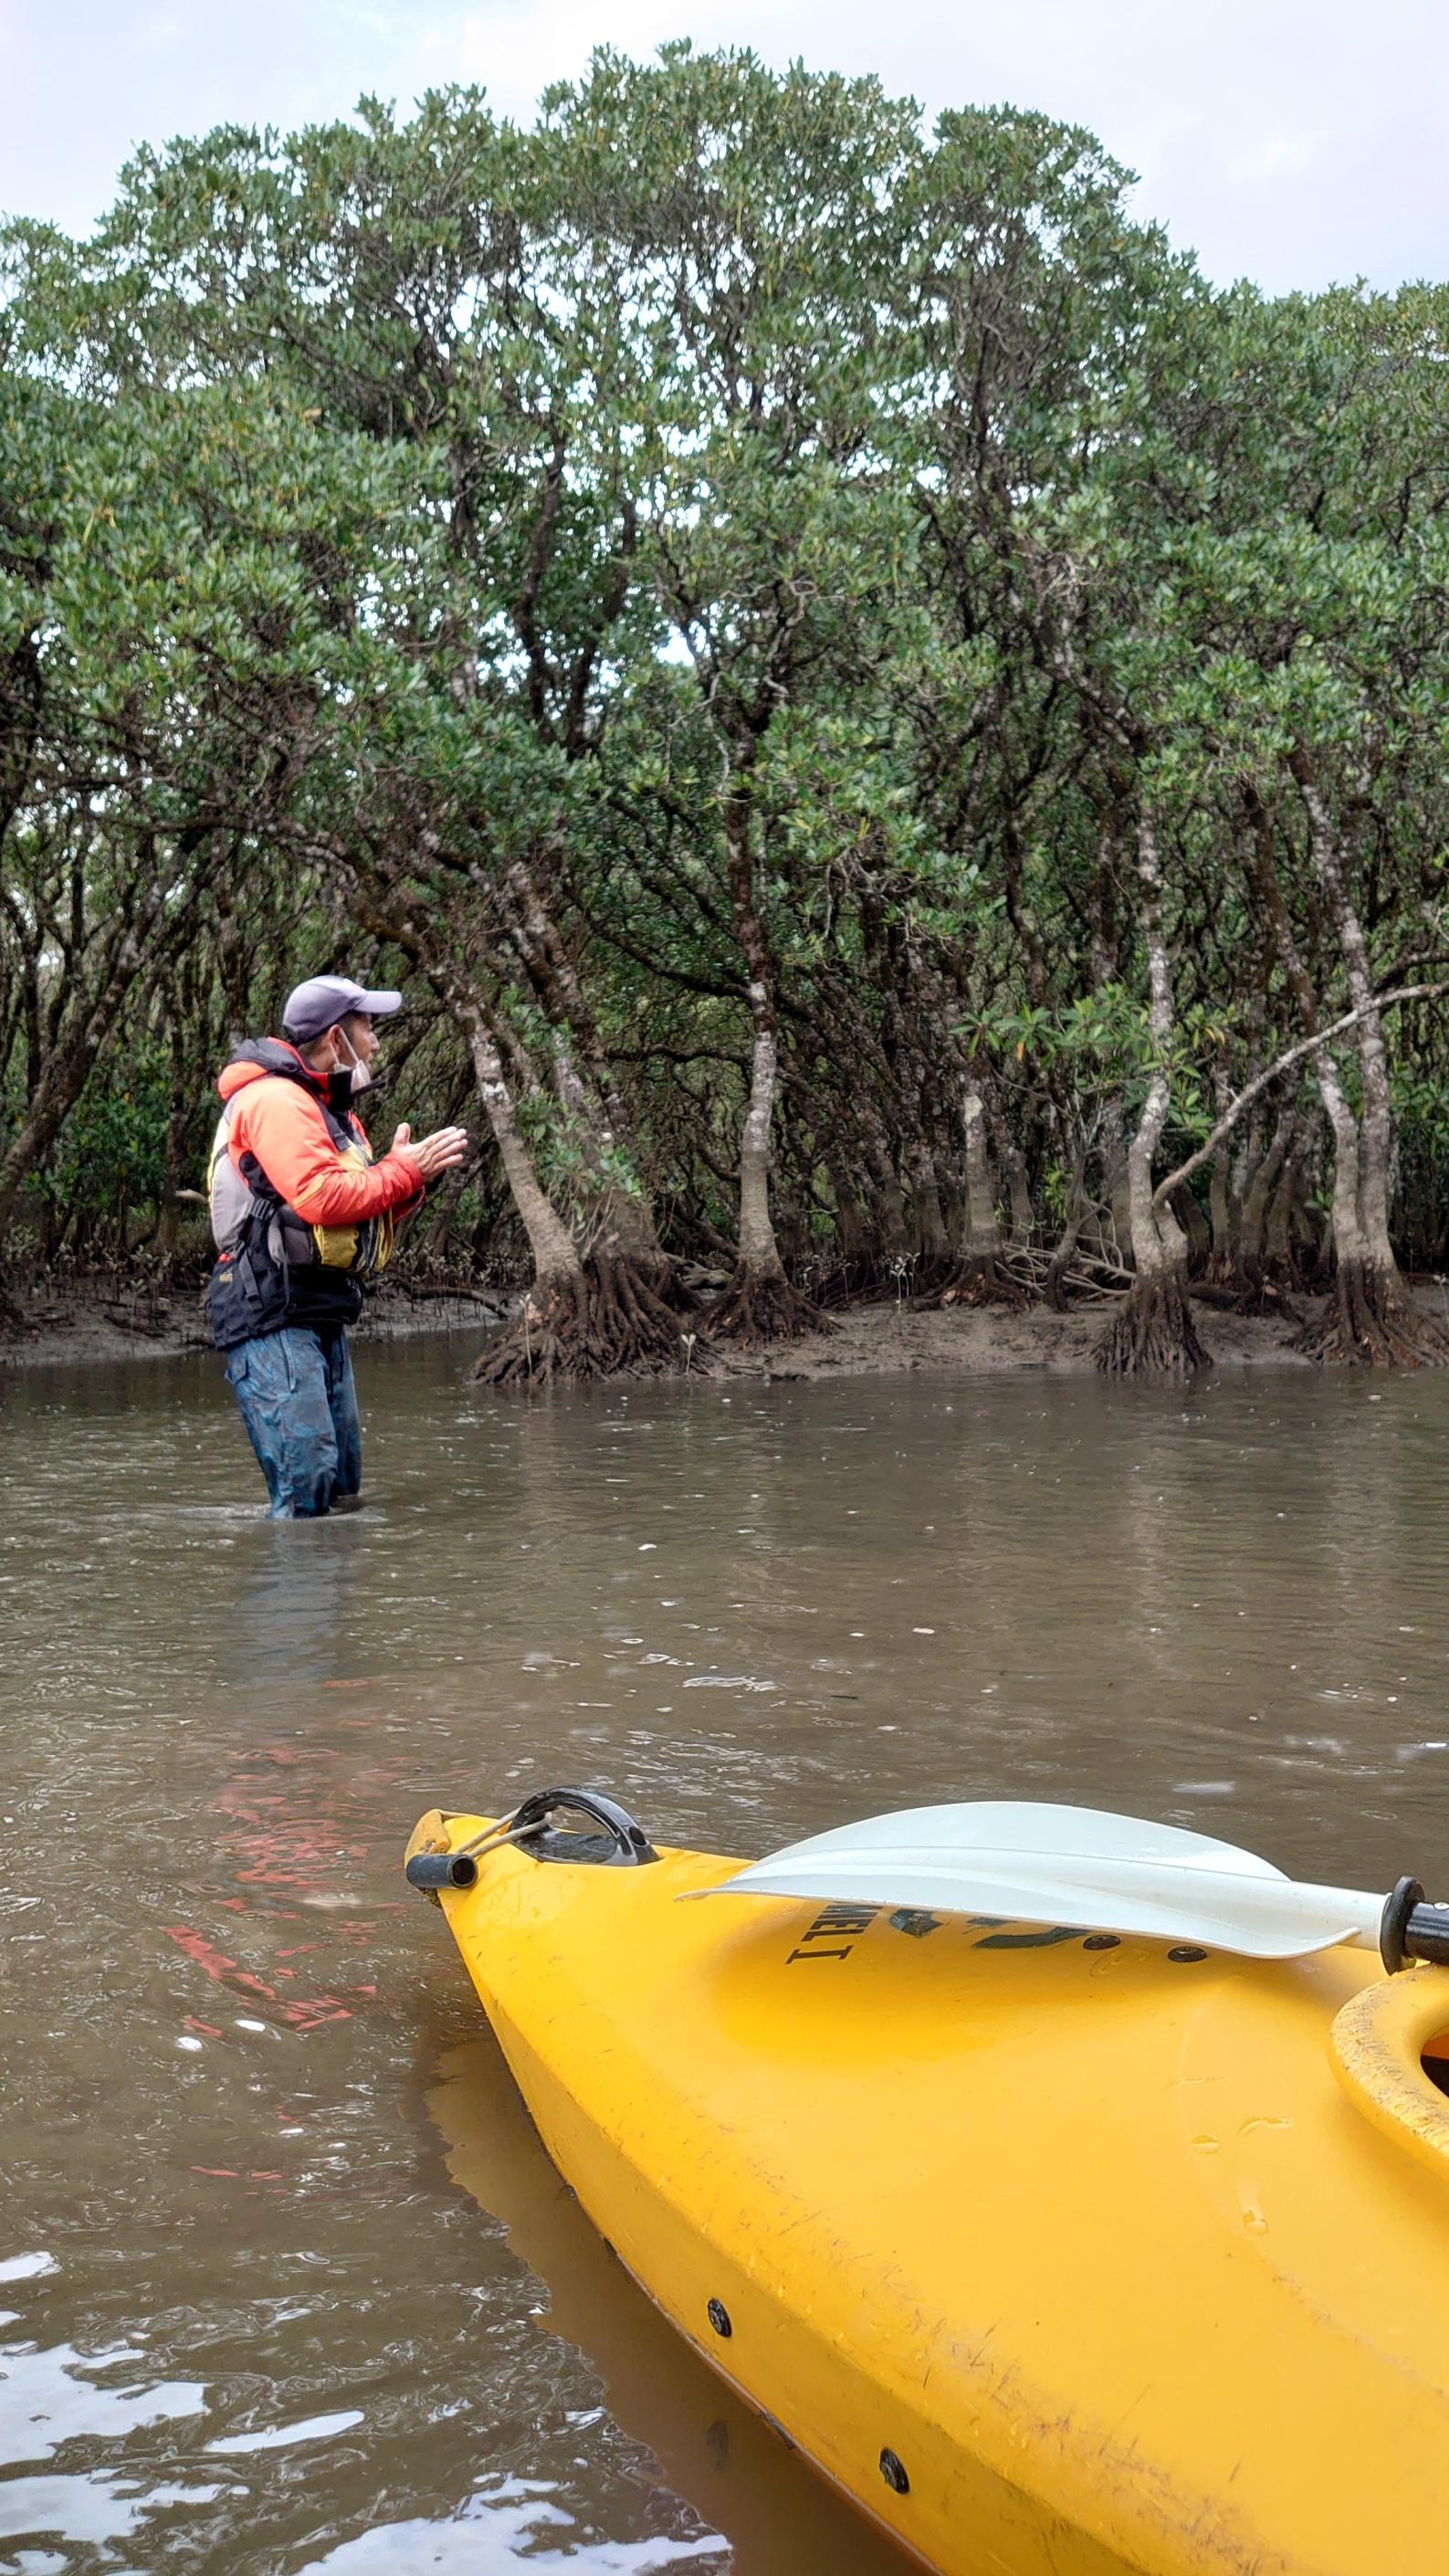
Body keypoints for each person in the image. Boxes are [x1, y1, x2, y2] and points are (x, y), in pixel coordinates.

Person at [207, 974, 468, 1519]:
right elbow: (323, 1198)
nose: (375, 1042)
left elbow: (355, 1209)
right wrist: (401, 1170)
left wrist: (410, 1178)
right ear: (334, 1038)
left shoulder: (331, 1111)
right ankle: (298, 1601)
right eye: (367, 1027)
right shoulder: (276, 1100)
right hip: (268, 1307)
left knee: (341, 1483)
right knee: (308, 1487)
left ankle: (334, 1600)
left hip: (316, 1303)